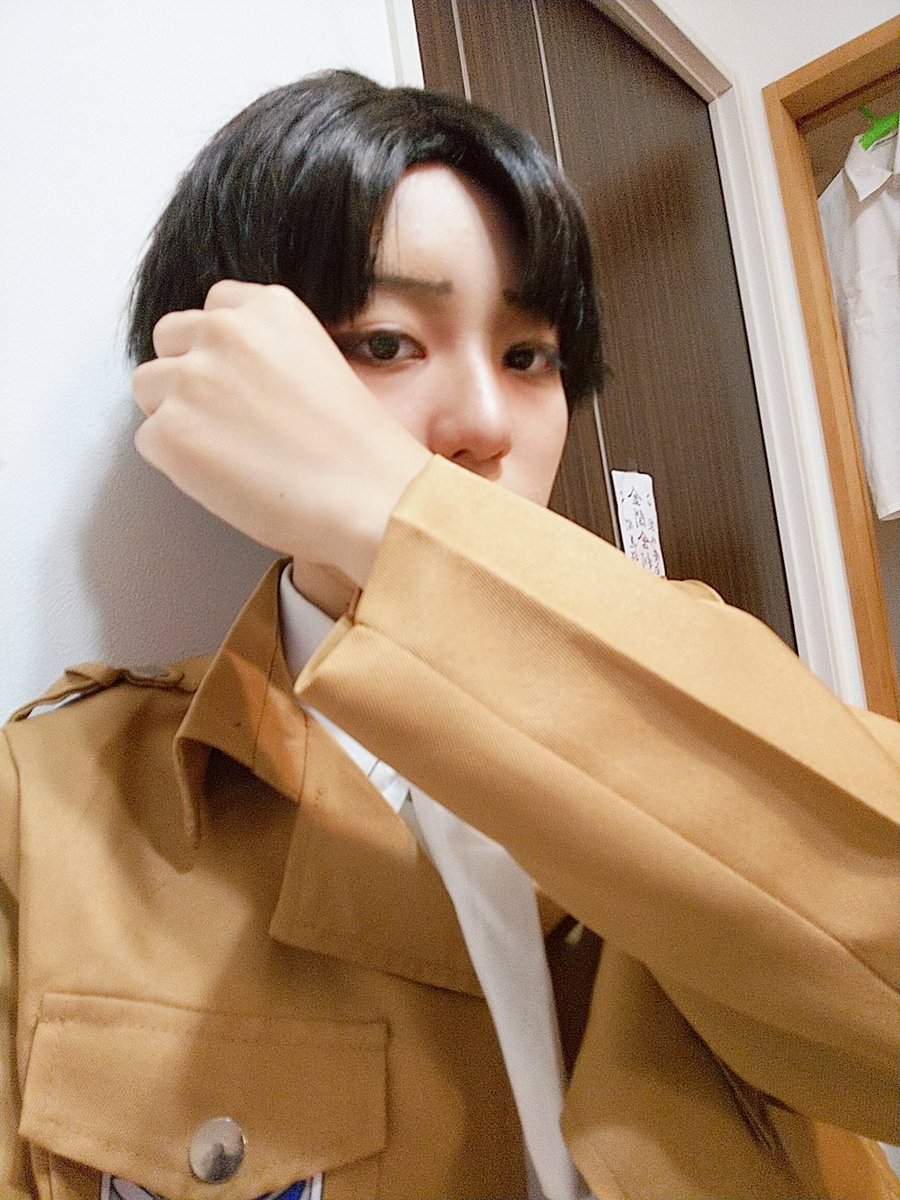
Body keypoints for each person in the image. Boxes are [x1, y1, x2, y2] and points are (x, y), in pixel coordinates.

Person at [1, 69, 898, 1200]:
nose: (484, 422)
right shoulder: (53, 800)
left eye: (530, 357)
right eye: (384, 342)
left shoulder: (695, 680)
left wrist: (393, 514)